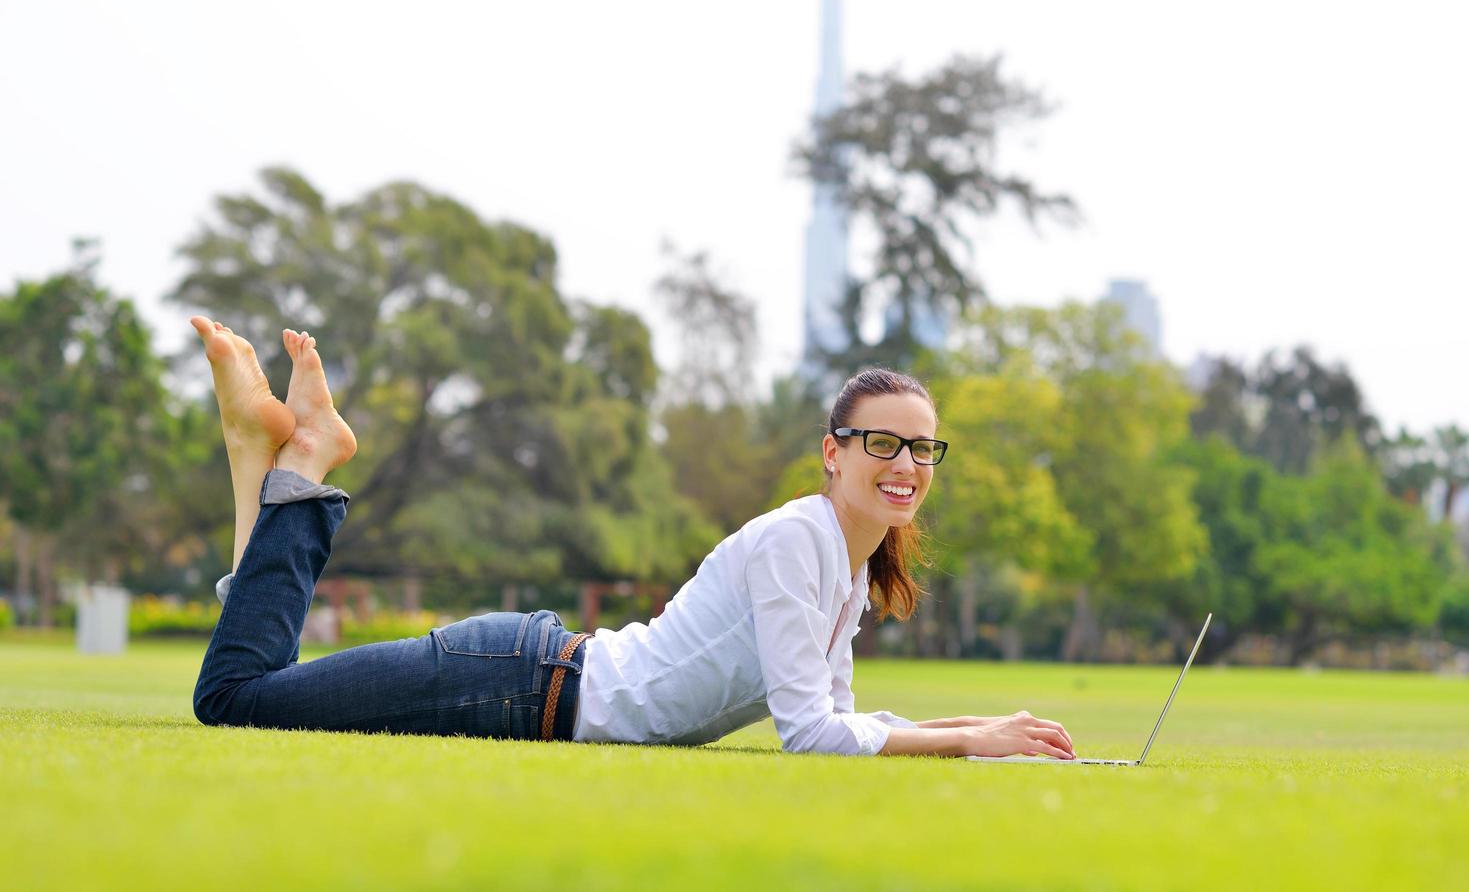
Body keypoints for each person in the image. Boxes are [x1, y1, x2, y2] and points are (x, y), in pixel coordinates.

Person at [190, 315, 1076, 759]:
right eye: (881, 443)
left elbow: (841, 722)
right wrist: (969, 741)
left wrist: (987, 730)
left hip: (530, 681)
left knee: (253, 687)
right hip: (513, 685)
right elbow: (809, 734)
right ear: (831, 455)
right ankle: (299, 459)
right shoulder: (794, 544)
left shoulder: (843, 563)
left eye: (921, 448)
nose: (905, 464)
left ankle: (262, 460)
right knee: (234, 699)